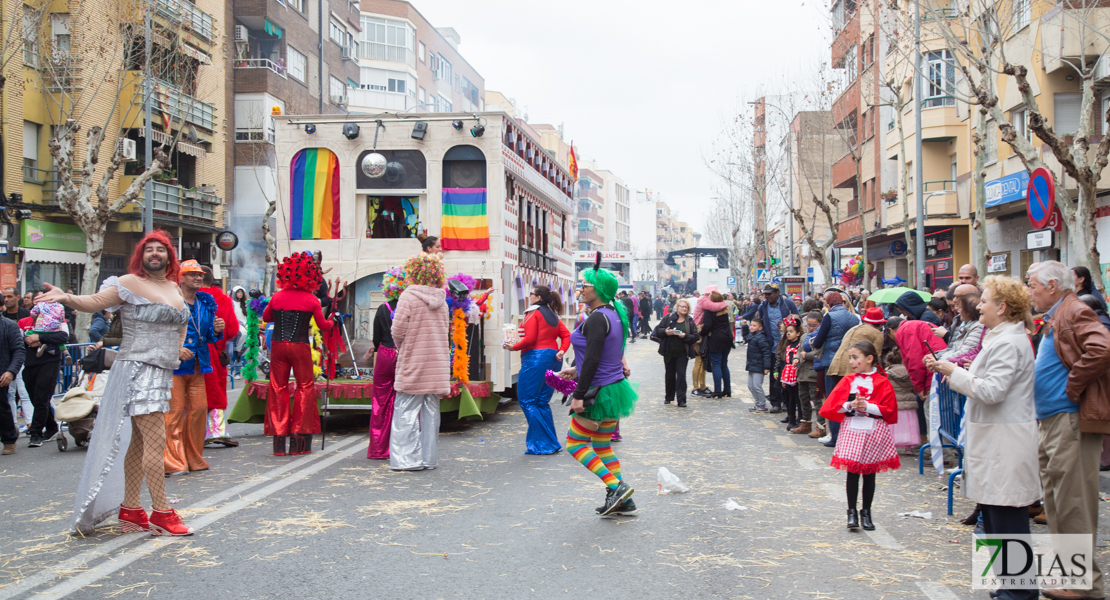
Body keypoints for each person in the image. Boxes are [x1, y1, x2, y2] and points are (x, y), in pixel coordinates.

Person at [55, 229, 194, 535]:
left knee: (142, 442)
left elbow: (178, 328)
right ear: (141, 256)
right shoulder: (130, 284)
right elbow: (94, 302)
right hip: (136, 370)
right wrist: (67, 298)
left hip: (161, 372)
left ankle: (131, 509)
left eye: (160, 249)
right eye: (149, 250)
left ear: (169, 256)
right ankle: (162, 511)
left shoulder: (174, 287)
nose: (154, 254)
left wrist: (178, 348)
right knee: (155, 442)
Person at [924, 275, 1040, 600]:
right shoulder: (1000, 337)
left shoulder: (1008, 342)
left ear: (1002, 308)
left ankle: (1019, 592)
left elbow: (992, 390)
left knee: (1008, 520)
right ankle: (1009, 585)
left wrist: (954, 372)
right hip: (996, 443)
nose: (980, 306)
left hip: (1006, 444)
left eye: (985, 300)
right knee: (996, 517)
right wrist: (957, 374)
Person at [1026, 261, 1110, 600]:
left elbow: (1102, 348)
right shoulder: (1060, 313)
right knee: (1059, 503)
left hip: (1069, 418)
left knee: (1072, 502)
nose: (1029, 291)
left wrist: (1073, 386)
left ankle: (1083, 583)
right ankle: (1071, 576)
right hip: (1054, 419)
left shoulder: (1074, 309)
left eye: (1032, 285)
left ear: (1051, 286)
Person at [557, 261, 638, 516]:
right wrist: (576, 370)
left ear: (599, 289)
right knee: (602, 446)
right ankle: (623, 502)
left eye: (586, 285)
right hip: (613, 389)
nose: (581, 289)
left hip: (597, 392)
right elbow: (604, 356)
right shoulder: (615, 314)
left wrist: (578, 395)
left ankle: (616, 487)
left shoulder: (597, 319)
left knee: (574, 444)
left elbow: (593, 359)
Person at [819, 341, 900, 531]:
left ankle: (866, 512)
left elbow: (890, 410)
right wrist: (849, 406)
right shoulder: (848, 380)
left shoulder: (882, 381)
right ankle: (852, 512)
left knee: (869, 474)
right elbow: (833, 406)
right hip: (853, 429)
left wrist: (868, 407)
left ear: (869, 359)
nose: (852, 362)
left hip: (873, 430)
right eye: (850, 358)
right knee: (852, 473)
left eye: (855, 357)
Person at [263, 253, 334, 456]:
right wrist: (333, 320)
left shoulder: (276, 297)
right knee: (305, 387)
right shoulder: (311, 299)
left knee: (278, 387)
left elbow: (267, 317)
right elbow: (323, 325)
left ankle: (278, 439)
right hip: (300, 345)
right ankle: (298, 437)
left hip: (277, 345)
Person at [390, 253, 450, 471]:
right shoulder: (442, 301)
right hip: (437, 363)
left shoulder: (408, 297)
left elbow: (397, 330)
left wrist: (402, 346)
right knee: (431, 412)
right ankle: (428, 458)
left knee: (405, 409)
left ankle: (406, 460)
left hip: (414, 360)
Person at [165, 260, 225, 475]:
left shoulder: (205, 302)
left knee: (199, 410)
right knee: (173, 414)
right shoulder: (169, 301)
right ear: (180, 278)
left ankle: (192, 457)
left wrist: (217, 331)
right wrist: (176, 349)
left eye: (199, 274)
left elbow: (207, 336)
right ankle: (172, 461)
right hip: (174, 367)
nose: (198, 277)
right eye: (192, 274)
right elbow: (160, 332)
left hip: (199, 365)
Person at [505, 284, 570, 454]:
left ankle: (545, 444)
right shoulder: (553, 315)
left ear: (538, 297)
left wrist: (514, 347)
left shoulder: (532, 312)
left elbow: (530, 339)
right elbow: (566, 335)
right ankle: (550, 442)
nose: (529, 296)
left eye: (532, 294)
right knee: (541, 402)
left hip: (535, 358)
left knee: (527, 400)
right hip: (553, 358)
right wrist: (562, 350)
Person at [362, 267, 406, 460]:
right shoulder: (408, 307)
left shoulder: (382, 309)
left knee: (380, 402)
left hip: (385, 355)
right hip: (404, 355)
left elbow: (376, 339)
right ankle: (401, 448)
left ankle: (379, 449)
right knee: (404, 402)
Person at [809, 289, 860, 444]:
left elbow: (818, 341)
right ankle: (849, 435)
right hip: (850, 362)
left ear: (829, 302)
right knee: (849, 398)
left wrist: (812, 343)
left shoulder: (829, 316)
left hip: (831, 362)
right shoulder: (854, 317)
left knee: (834, 399)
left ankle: (836, 436)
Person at [742, 284, 799, 412]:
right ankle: (776, 402)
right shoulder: (763, 306)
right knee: (775, 376)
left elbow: (797, 320)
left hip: (787, 346)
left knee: (787, 374)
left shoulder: (788, 304)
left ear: (777, 293)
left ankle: (787, 402)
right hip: (772, 346)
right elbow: (761, 322)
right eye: (765, 294)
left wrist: (786, 323)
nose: (767, 296)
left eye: (769, 294)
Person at [200, 267, 240, 449]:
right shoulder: (223, 299)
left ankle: (195, 431)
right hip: (216, 351)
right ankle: (217, 429)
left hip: (191, 351)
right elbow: (232, 330)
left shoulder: (186, 297)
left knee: (192, 390)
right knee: (216, 390)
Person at [653, 298, 699, 407]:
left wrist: (685, 336)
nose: (684, 308)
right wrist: (666, 332)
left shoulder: (689, 320)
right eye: (682, 306)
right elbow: (658, 330)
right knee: (669, 374)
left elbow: (695, 336)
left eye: (686, 307)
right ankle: (668, 397)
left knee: (681, 375)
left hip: (683, 352)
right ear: (677, 308)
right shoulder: (668, 318)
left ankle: (681, 399)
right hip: (668, 351)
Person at [2, 286, 31, 435]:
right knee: (10, 396)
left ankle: (29, 424)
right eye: (4, 297)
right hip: (8, 364)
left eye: (10, 296)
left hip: (18, 363)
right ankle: (12, 425)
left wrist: (11, 370)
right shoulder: (6, 317)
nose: (7, 300)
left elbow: (19, 348)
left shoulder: (22, 317)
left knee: (23, 392)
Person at [792, 311, 824, 436]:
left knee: (816, 402)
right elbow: (799, 350)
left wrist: (808, 355)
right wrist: (796, 358)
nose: (810, 327)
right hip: (802, 373)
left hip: (813, 374)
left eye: (813, 325)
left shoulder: (821, 336)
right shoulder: (804, 336)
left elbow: (820, 353)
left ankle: (820, 426)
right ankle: (805, 423)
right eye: (808, 325)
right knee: (803, 399)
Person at [884, 347, 920, 449]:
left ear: (889, 362)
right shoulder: (909, 373)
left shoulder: (887, 374)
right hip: (909, 403)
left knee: (895, 427)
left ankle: (892, 446)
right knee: (909, 426)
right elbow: (914, 388)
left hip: (894, 404)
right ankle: (909, 448)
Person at [0, 315, 25, 455]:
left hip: (2, 373)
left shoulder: (9, 325)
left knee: (1, 408)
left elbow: (19, 350)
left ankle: (9, 439)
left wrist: (11, 371)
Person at [773, 317, 803, 430]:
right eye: (787, 332)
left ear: (798, 333)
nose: (788, 334)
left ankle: (800, 418)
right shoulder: (787, 346)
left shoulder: (800, 345)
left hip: (797, 373)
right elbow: (781, 360)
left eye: (791, 332)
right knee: (790, 397)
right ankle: (791, 418)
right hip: (788, 373)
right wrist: (779, 372)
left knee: (798, 397)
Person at [702, 291, 733, 399]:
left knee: (716, 364)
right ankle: (727, 389)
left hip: (716, 339)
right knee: (724, 364)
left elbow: (707, 326)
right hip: (727, 337)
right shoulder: (724, 309)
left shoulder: (709, 311)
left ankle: (718, 390)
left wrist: (701, 333)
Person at [744, 319, 773, 411]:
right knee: (750, 386)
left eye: (754, 325)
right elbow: (746, 337)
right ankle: (757, 402)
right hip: (752, 364)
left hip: (759, 365)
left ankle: (762, 404)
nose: (751, 327)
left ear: (760, 328)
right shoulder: (752, 336)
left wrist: (767, 367)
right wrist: (745, 327)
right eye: (751, 325)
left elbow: (766, 353)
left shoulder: (761, 338)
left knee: (757, 386)